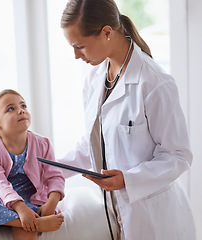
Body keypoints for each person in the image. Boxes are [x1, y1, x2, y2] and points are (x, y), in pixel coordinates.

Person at [59, 0, 196, 239]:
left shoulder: (154, 82)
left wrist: (128, 180)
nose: (75, 55)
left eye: (80, 46)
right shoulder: (94, 80)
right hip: (118, 216)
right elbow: (94, 142)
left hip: (157, 220)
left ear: (107, 32)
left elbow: (179, 156)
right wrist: (49, 168)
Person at [0, 89, 65, 240]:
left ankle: (28, 220)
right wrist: (20, 208)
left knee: (27, 230)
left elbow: (55, 176)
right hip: (2, 197)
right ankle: (36, 223)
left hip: (33, 197)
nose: (21, 111)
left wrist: (51, 204)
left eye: (23, 106)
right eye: (11, 109)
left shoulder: (43, 143)